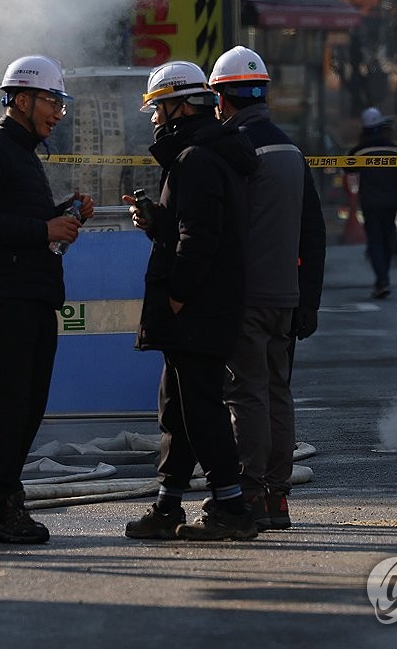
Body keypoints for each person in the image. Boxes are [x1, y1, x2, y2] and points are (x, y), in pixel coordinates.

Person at [121, 61, 259, 541]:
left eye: (158, 107)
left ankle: (232, 509)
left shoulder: (196, 158)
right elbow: (192, 226)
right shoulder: (206, 153)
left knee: (200, 410)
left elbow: (199, 237)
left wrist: (178, 295)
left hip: (198, 309)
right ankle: (168, 505)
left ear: (181, 105)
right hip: (206, 306)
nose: (155, 118)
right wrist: (158, 221)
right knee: (177, 409)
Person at [0, 54, 94, 545]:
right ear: (20, 98)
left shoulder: (23, 153)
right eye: (51, 101)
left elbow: (17, 220)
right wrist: (44, 228)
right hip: (9, 292)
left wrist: (62, 215)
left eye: (61, 102)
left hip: (32, 291)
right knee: (12, 405)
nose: (58, 112)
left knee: (25, 404)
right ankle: (2, 509)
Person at [206, 46, 326, 531]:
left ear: (223, 98)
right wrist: (308, 300)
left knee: (245, 394)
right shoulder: (290, 151)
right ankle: (277, 498)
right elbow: (313, 231)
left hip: (246, 296)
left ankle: (249, 493)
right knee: (278, 392)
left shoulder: (233, 149)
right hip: (285, 297)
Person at [345, 107, 397, 298]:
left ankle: (382, 280)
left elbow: (347, 169)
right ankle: (384, 278)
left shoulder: (360, 151)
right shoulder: (395, 149)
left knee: (375, 240)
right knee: (387, 238)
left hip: (370, 202)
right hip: (391, 202)